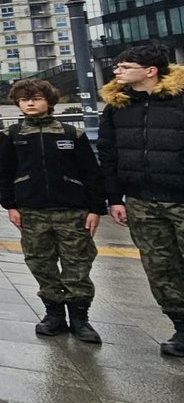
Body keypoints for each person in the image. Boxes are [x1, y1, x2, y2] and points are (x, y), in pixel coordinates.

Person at [0, 78, 104, 343]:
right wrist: (10, 205)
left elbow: (91, 172)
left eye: (36, 99)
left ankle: (80, 317)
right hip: (32, 210)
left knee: (77, 264)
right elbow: (5, 173)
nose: (30, 104)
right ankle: (54, 313)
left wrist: (95, 208)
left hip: (72, 210)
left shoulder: (70, 134)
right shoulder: (12, 135)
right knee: (40, 263)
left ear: (49, 101)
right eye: (24, 100)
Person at [97, 43, 184, 357]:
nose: (117, 71)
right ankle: (181, 327)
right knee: (160, 267)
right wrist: (114, 198)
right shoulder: (116, 107)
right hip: (141, 201)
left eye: (125, 67)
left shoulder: (179, 100)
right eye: (117, 67)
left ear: (151, 71)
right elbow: (108, 154)